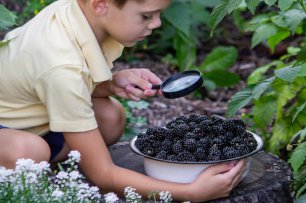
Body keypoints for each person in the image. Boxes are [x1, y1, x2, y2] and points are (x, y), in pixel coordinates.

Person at [0, 0, 247, 201]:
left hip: (28, 118)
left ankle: (54, 167)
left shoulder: (73, 12)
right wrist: (191, 193)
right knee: (28, 153)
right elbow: (103, 175)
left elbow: (44, 85)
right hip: (10, 130)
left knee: (110, 116)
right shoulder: (60, 65)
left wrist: (110, 83)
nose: (157, 23)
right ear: (100, 5)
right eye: (147, 16)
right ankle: (32, 169)